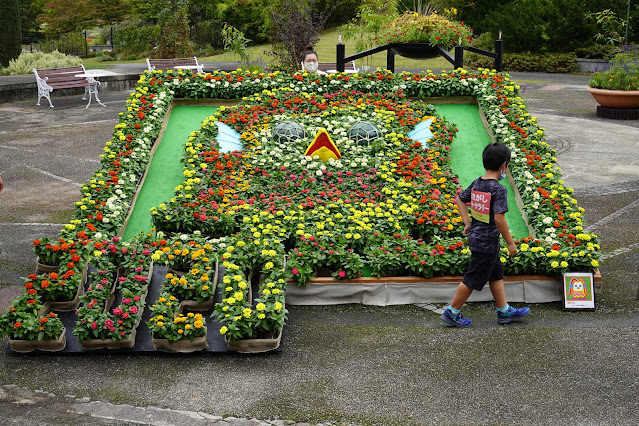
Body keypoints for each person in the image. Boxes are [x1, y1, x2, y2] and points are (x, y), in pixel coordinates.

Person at [441, 142, 530, 327]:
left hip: (480, 238)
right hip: (487, 241)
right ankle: (452, 312)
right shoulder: (498, 189)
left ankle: (504, 311)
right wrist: (511, 243)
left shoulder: (477, 183)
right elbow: (499, 219)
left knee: (496, 273)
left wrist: (467, 223)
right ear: (504, 165)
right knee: (473, 277)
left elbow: (460, 199)